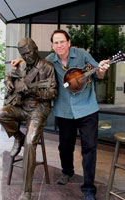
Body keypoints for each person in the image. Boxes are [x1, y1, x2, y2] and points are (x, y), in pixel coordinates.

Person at [11, 30, 110, 200]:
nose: (59, 45)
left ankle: (88, 189)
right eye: (56, 43)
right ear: (52, 46)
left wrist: (102, 70)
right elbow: (35, 62)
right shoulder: (50, 60)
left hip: (87, 109)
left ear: (69, 42)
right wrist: (21, 60)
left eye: (62, 41)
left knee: (89, 148)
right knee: (65, 146)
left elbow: (98, 74)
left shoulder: (82, 54)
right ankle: (67, 172)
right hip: (64, 111)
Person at [0, 38, 57, 200]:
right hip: (22, 107)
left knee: (30, 143)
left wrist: (35, 92)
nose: (27, 56)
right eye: (23, 54)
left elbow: (53, 93)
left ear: (35, 49)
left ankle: (26, 190)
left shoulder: (47, 67)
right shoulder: (22, 66)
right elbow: (9, 75)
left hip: (39, 109)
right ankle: (18, 137)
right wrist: (8, 81)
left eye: (29, 52)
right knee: (0, 113)